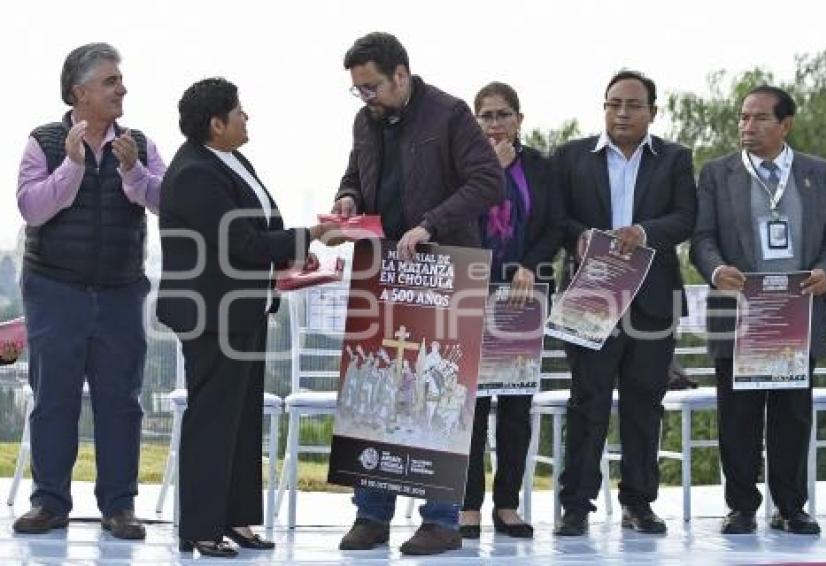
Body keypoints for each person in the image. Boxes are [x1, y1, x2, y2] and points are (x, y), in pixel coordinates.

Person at [332, 32, 504, 556]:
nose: (366, 98)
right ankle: (372, 515)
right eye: (358, 90)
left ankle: (442, 521)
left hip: (446, 272)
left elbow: (487, 182)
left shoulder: (450, 115)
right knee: (382, 387)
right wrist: (346, 196)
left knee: (436, 389)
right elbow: (358, 174)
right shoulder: (366, 121)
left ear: (401, 75)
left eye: (372, 87)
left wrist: (430, 224)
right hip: (383, 272)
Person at [156, 78, 342, 558]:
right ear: (215, 124)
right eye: (238, 112)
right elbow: (242, 243)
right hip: (213, 316)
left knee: (239, 424)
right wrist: (313, 236)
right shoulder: (195, 173)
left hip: (245, 311)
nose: (246, 117)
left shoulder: (231, 160)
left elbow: (264, 227)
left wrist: (296, 255)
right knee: (212, 422)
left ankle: (235, 519)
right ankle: (199, 529)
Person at [12, 42, 164, 540]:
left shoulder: (137, 144)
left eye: (119, 80)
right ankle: (50, 502)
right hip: (55, 289)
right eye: (110, 82)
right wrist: (73, 166)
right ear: (80, 92)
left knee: (120, 401)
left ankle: (119, 506)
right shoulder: (45, 141)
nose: (122, 89)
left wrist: (132, 172)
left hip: (120, 291)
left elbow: (167, 201)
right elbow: (32, 208)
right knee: (54, 398)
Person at [690, 85, 826, 535]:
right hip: (740, 313)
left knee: (792, 416)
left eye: (759, 118)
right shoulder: (718, 173)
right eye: (743, 117)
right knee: (737, 415)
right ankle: (740, 506)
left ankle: (791, 507)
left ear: (785, 125)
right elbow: (702, 238)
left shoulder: (818, 171)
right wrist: (717, 270)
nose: (747, 126)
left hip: (798, 313)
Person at [551, 70, 697, 536]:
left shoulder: (674, 158)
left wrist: (646, 232)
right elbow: (556, 217)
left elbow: (686, 217)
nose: (622, 112)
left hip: (652, 303)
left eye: (633, 105)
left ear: (653, 112)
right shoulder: (571, 156)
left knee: (643, 406)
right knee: (587, 404)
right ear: (604, 107)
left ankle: (639, 503)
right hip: (590, 296)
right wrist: (579, 236)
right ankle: (575, 506)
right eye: (614, 103)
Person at [459, 81, 563, 540]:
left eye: (504, 114)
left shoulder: (542, 166)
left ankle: (507, 505)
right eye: (486, 115)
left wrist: (532, 267)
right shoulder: (462, 166)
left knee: (516, 408)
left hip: (523, 299)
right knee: (472, 408)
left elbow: (554, 225)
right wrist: (493, 175)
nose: (495, 123)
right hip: (472, 295)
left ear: (520, 119)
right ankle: (466, 507)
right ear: (475, 120)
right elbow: (457, 220)